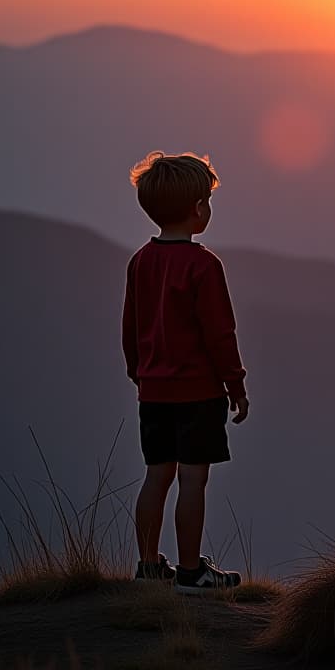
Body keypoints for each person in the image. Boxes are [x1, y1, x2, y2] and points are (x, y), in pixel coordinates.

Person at [122, 150, 249, 594]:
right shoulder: (204, 266)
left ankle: (148, 565)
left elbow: (131, 327)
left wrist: (140, 374)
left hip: (153, 392)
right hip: (198, 392)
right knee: (193, 478)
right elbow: (220, 334)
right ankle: (191, 570)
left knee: (157, 475)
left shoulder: (140, 261)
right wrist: (236, 384)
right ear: (198, 209)